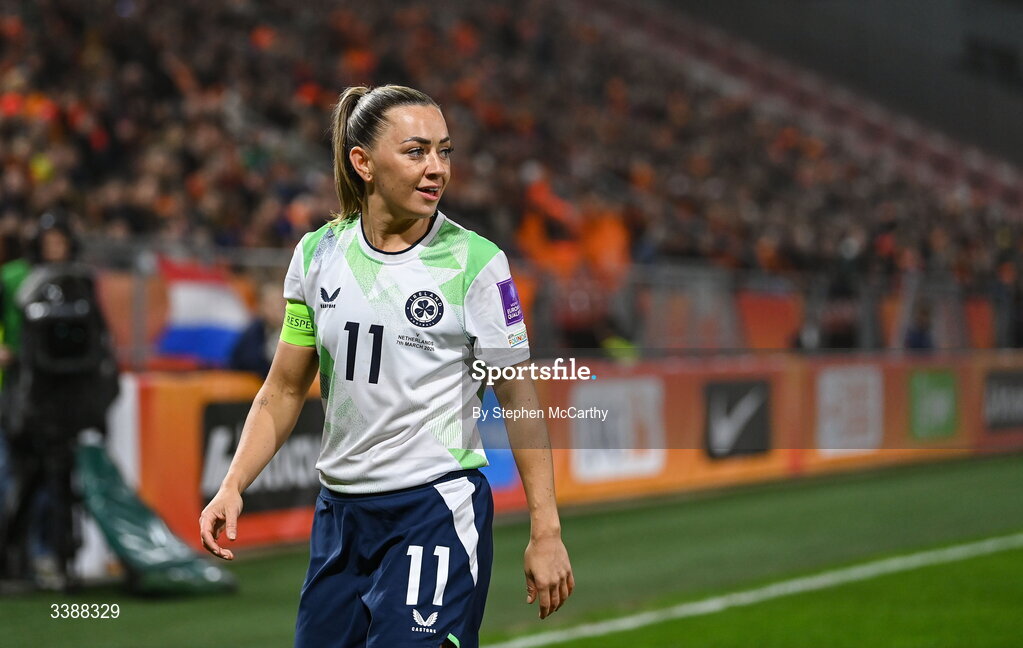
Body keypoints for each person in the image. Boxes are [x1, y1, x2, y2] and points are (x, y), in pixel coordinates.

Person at [200, 85, 574, 648]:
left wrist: (546, 530)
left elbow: (519, 402)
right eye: (416, 151)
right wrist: (232, 485)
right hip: (340, 521)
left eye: (444, 151)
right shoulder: (317, 256)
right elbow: (281, 389)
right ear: (363, 162)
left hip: (434, 511)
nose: (436, 169)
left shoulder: (475, 264)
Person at [228, 280, 287, 377]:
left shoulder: (291, 330)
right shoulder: (253, 333)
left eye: (281, 304)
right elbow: (248, 362)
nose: (277, 309)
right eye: (272, 305)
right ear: (261, 307)